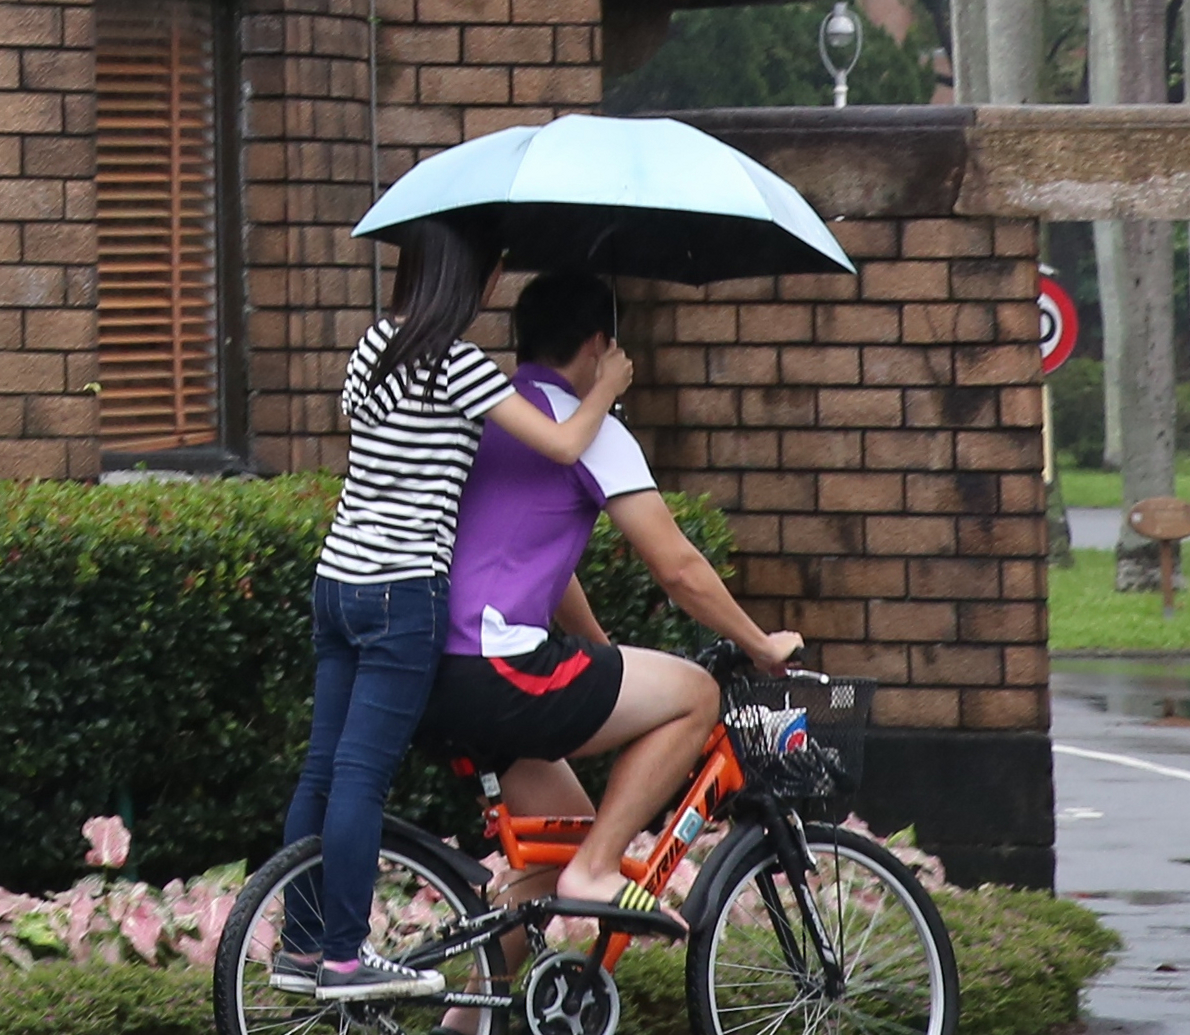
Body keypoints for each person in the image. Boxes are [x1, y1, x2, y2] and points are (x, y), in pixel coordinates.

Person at [274, 216, 629, 993]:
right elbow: (561, 444)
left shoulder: (373, 348)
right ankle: (342, 957)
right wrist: (605, 386)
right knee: (361, 777)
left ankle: (300, 945)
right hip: (402, 593)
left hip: (337, 582)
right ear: (477, 277)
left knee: (322, 772)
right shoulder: (458, 364)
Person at [416, 268, 800, 939]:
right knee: (696, 694)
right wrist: (761, 644)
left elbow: (534, 556)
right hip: (500, 668)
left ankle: (476, 1007)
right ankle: (596, 872)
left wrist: (598, 646)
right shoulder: (589, 430)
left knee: (555, 850)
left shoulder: (489, 414)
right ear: (599, 345)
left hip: (439, 673)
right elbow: (678, 568)